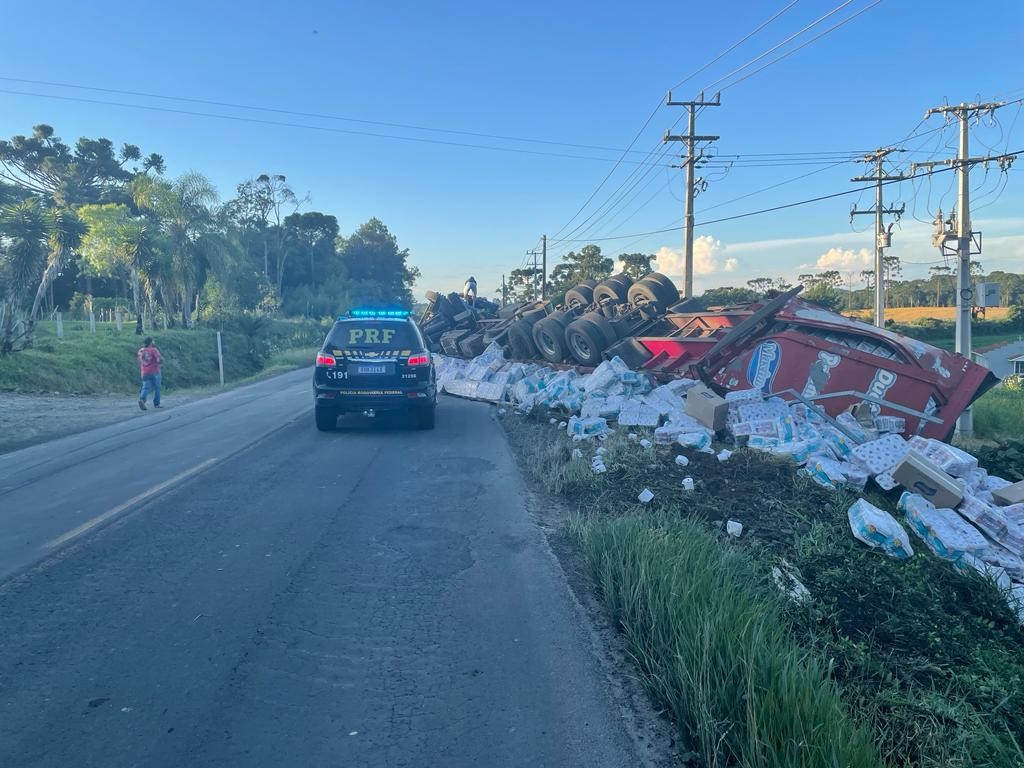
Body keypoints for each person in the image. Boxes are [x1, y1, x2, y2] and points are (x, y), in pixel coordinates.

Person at [137, 337, 163, 410]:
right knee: (157, 388)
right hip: (154, 371)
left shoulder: (140, 351)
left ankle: (142, 400)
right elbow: (159, 359)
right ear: (151, 342)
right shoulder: (154, 350)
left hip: (144, 372)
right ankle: (157, 404)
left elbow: (140, 360)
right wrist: (161, 361)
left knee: (145, 387)